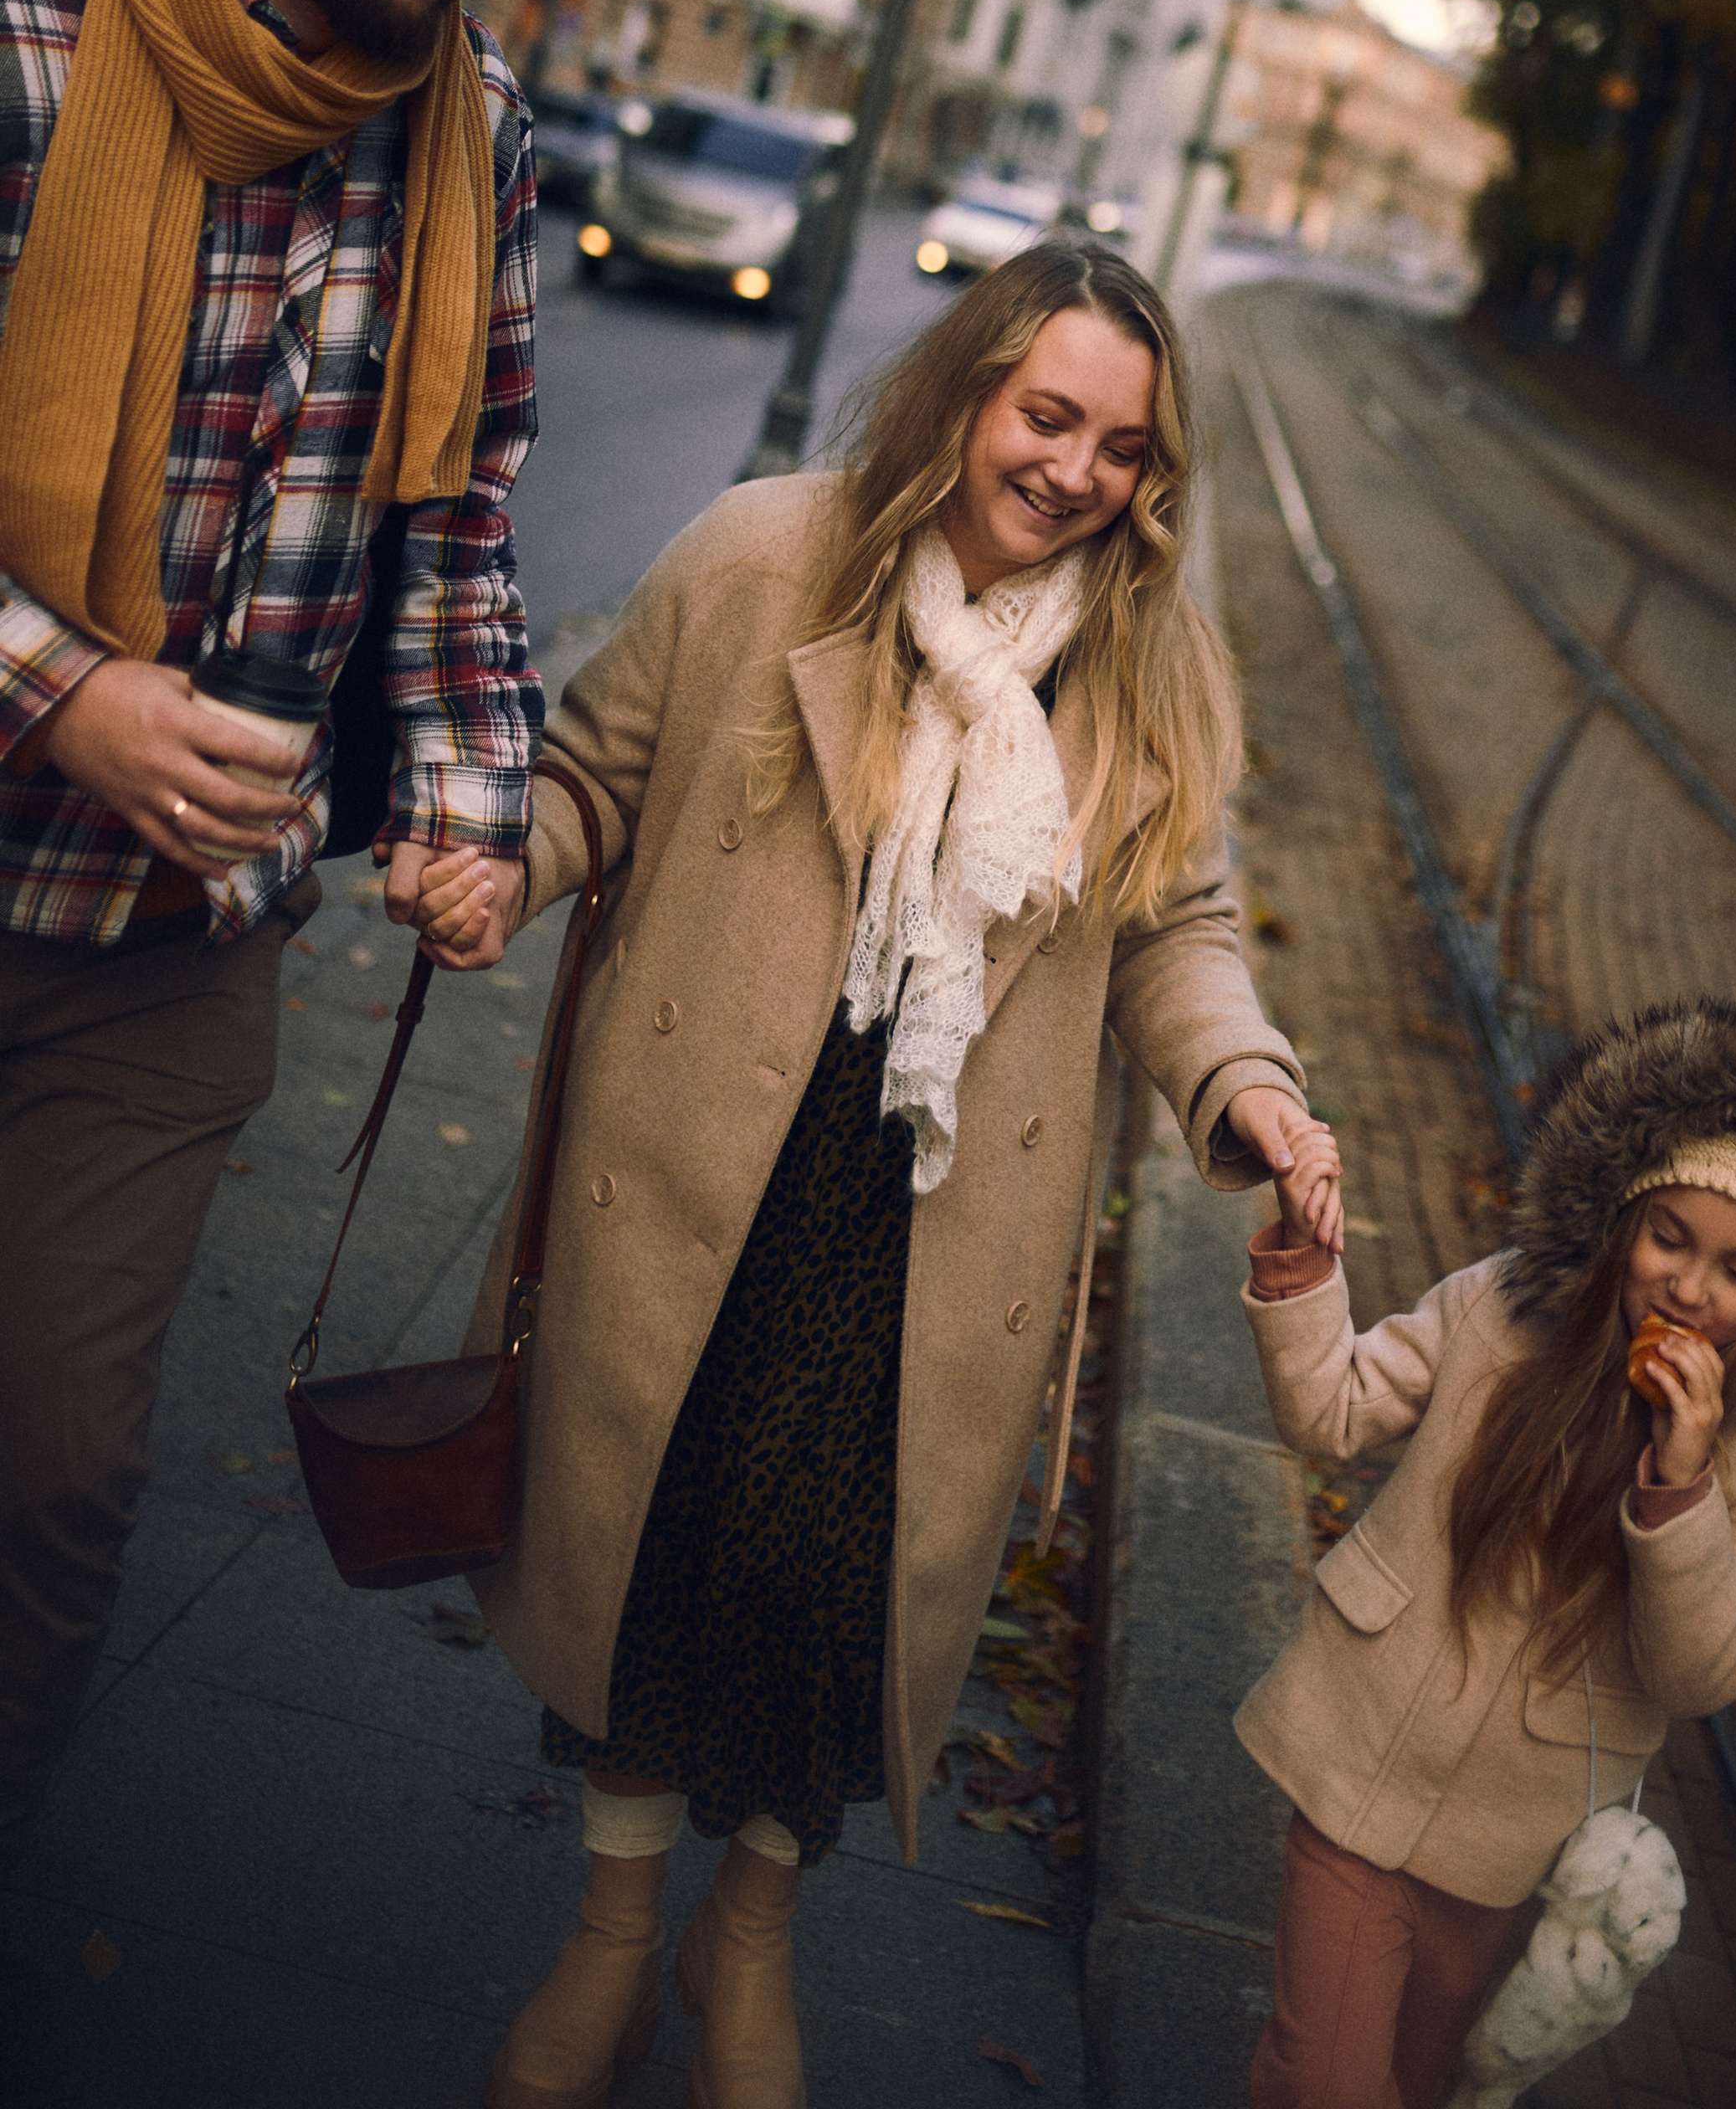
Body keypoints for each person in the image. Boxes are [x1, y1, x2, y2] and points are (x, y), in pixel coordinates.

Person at [412, 238, 1337, 2109]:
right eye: (1047, 416)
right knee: (656, 1544)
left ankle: (745, 1936)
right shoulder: (765, 557)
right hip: (698, 1161)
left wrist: (1244, 1083)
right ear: (968, 394)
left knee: (833, 1595)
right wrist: (508, 866)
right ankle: (611, 1938)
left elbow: (1178, 928)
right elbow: (594, 773)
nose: (1075, 471)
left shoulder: (1150, 668)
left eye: (1123, 447)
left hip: (932, 1212)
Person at [0, 0, 568, 1876]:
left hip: (162, 953)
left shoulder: (473, 132)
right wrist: (66, 696)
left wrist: (469, 804)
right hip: (41, 789)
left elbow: (458, 521)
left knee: (57, 1476)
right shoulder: (25, 30)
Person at [1233, 996, 1736, 2109]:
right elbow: (1333, 1409)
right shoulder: (1497, 1311)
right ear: (1620, 1225)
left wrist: (1684, 1482)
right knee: (1323, 2080)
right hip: (1360, 1760)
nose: (1690, 1289)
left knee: (1420, 2083)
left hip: (1511, 1845)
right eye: (1669, 1238)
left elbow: (1699, 1675)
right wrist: (1304, 1259)